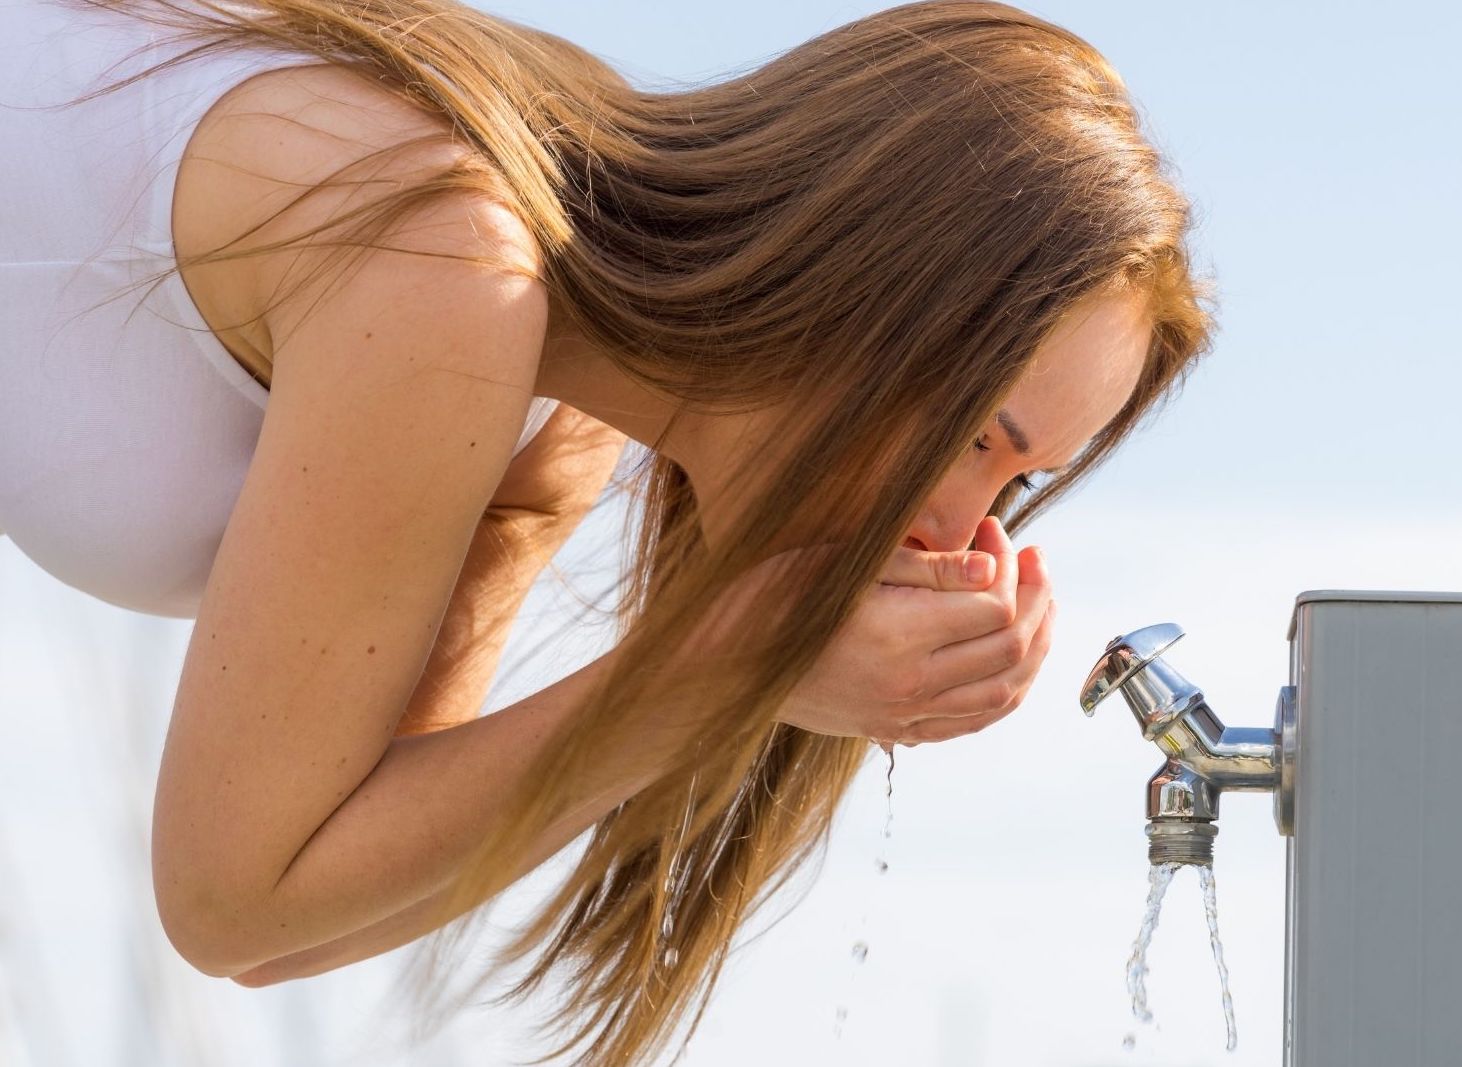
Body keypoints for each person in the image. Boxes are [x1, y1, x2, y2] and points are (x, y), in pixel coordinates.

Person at [0, 0, 1217, 1062]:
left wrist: (724, 671)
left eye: (1013, 487)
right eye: (972, 436)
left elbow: (297, 916)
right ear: (872, 287)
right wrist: (720, 664)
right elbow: (230, 897)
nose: (958, 534)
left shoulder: (555, 393)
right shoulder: (451, 262)